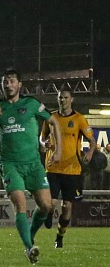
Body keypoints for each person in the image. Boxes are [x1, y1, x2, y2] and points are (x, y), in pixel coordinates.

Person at [0, 68, 62, 264]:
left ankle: (30, 236)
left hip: (33, 163)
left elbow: (54, 122)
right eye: (5, 82)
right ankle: (29, 247)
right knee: (20, 203)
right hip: (10, 164)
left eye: (11, 81)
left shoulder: (32, 104)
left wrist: (58, 150)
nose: (8, 85)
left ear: (19, 85)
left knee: (46, 205)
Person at [39, 87, 96, 249]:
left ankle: (59, 237)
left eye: (65, 97)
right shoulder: (51, 118)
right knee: (51, 201)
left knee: (67, 207)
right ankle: (49, 212)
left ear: (71, 100)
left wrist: (90, 153)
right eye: (60, 98)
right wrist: (44, 143)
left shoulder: (79, 119)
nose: (62, 100)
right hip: (52, 167)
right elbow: (42, 139)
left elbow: (92, 141)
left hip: (72, 170)